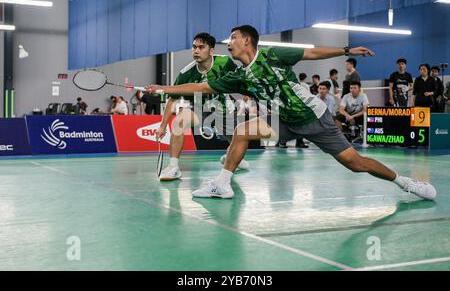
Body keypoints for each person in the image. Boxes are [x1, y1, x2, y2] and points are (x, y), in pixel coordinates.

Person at [147, 25, 436, 201]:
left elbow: (310, 52)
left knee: (356, 163)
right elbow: (203, 86)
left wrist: (347, 49)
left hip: (314, 118)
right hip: (283, 120)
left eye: (232, 37)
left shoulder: (272, 54)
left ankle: (406, 183)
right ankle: (222, 184)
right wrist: (162, 89)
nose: (229, 42)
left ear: (247, 41)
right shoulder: (239, 76)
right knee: (242, 131)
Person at [155, 32, 250, 181]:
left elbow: (240, 79)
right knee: (179, 121)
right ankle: (173, 167)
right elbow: (172, 100)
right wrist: (162, 126)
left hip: (224, 110)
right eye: (194, 47)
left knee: (239, 143)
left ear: (211, 51)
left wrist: (247, 93)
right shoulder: (186, 73)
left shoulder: (224, 62)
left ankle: (231, 157)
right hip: (200, 110)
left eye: (201, 47)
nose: (196, 51)